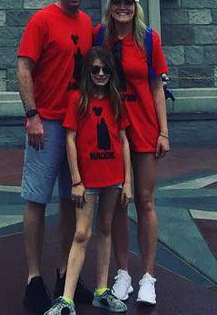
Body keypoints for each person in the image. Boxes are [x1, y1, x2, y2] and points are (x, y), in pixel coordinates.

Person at [17, 0, 94, 314]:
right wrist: (31, 115)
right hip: (46, 123)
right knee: (36, 199)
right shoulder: (41, 21)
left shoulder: (87, 24)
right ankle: (34, 278)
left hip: (76, 126)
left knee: (70, 200)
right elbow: (24, 66)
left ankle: (67, 274)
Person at [97, 0, 169, 309]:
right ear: (110, 6)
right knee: (118, 204)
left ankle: (148, 277)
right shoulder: (100, 37)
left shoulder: (149, 39)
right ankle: (123, 272)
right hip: (112, 130)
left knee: (145, 201)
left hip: (143, 128)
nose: (122, 8)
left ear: (136, 6)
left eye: (128, 3)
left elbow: (156, 87)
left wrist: (164, 132)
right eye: (117, 2)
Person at [45, 48, 132, 314]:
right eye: (95, 69)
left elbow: (124, 140)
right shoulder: (77, 100)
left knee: (105, 228)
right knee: (82, 233)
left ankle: (102, 290)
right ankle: (66, 298)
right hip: (88, 179)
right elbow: (70, 139)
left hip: (113, 176)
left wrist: (127, 181)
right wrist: (76, 180)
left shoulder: (116, 100)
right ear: (88, 72)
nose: (101, 74)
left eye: (105, 69)